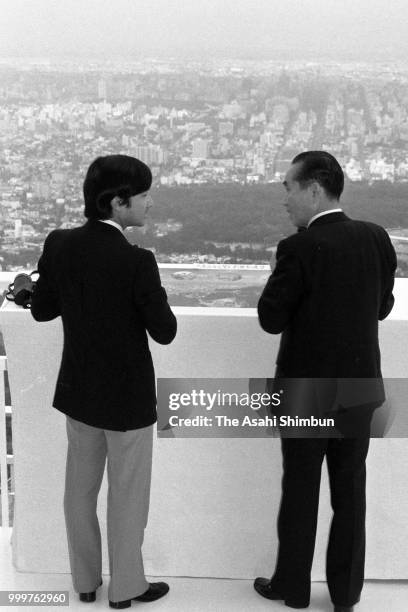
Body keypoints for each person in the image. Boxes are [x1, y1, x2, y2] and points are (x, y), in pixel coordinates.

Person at [31, 154, 177, 609]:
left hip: (79, 393)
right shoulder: (138, 261)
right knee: (128, 497)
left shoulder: (59, 244)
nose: (150, 203)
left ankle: (86, 583)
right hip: (128, 401)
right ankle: (128, 589)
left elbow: (42, 309)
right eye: (144, 195)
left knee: (79, 490)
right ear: (117, 203)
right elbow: (165, 331)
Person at [254, 151, 396, 612]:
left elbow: (271, 319)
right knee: (350, 491)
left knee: (300, 489)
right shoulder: (376, 238)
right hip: (359, 386)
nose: (286, 201)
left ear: (314, 190)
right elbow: (382, 307)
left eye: (289, 190)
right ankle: (345, 594)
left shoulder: (297, 247)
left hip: (305, 392)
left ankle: (292, 588)